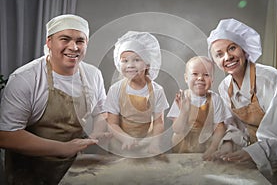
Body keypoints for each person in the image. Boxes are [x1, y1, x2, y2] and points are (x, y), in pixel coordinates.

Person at [0, 14, 109, 184]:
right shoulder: (26, 78)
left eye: (80, 41)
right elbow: (6, 135)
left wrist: (96, 133)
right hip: (29, 173)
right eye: (64, 39)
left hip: (73, 170)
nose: (73, 47)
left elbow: (101, 112)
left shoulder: (93, 75)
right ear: (49, 42)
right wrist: (64, 148)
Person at [207, 18, 277, 181]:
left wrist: (251, 153)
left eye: (232, 48)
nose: (228, 57)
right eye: (219, 54)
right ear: (215, 62)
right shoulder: (224, 87)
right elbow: (234, 127)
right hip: (257, 161)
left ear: (244, 49)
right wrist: (228, 145)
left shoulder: (270, 79)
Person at [167, 56, 246, 160]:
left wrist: (213, 148)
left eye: (206, 75)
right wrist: (184, 111)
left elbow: (220, 128)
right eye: (195, 74)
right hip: (183, 145)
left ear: (212, 79)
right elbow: (177, 129)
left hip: (206, 143)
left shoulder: (215, 99)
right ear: (186, 78)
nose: (200, 78)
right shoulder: (182, 98)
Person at [105, 31, 169, 157]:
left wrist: (154, 144)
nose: (130, 65)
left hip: (146, 143)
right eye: (124, 61)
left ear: (147, 64)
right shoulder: (115, 90)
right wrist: (125, 138)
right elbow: (112, 124)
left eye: (137, 60)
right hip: (120, 143)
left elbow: (158, 122)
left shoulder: (157, 91)